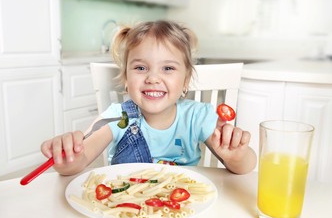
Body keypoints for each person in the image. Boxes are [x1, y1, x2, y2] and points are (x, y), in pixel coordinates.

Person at [41, 20, 256, 176]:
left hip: (180, 207)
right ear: (126, 78)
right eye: (141, 67)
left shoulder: (198, 116)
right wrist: (67, 156)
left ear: (185, 80)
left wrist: (237, 157)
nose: (153, 78)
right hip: (126, 206)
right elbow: (80, 159)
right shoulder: (118, 117)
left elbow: (247, 166)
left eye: (168, 68)